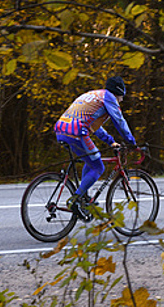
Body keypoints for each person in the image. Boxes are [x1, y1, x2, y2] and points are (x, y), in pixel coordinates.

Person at [54, 76, 136, 221]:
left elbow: (94, 127)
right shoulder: (109, 98)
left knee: (90, 160)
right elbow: (119, 121)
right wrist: (132, 142)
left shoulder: (95, 95)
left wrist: (110, 141)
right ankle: (76, 199)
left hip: (61, 128)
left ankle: (83, 197)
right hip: (77, 132)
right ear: (118, 93)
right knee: (98, 167)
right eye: (121, 97)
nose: (121, 101)